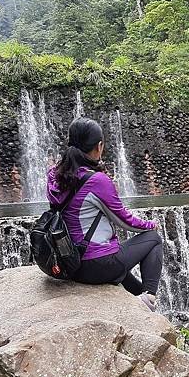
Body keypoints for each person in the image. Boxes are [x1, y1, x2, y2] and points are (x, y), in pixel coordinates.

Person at [47, 117, 162, 311]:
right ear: (99, 147)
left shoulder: (54, 175)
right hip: (96, 265)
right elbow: (124, 221)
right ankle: (150, 299)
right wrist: (151, 224)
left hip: (71, 264)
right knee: (153, 239)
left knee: (121, 268)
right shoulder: (97, 180)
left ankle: (139, 303)